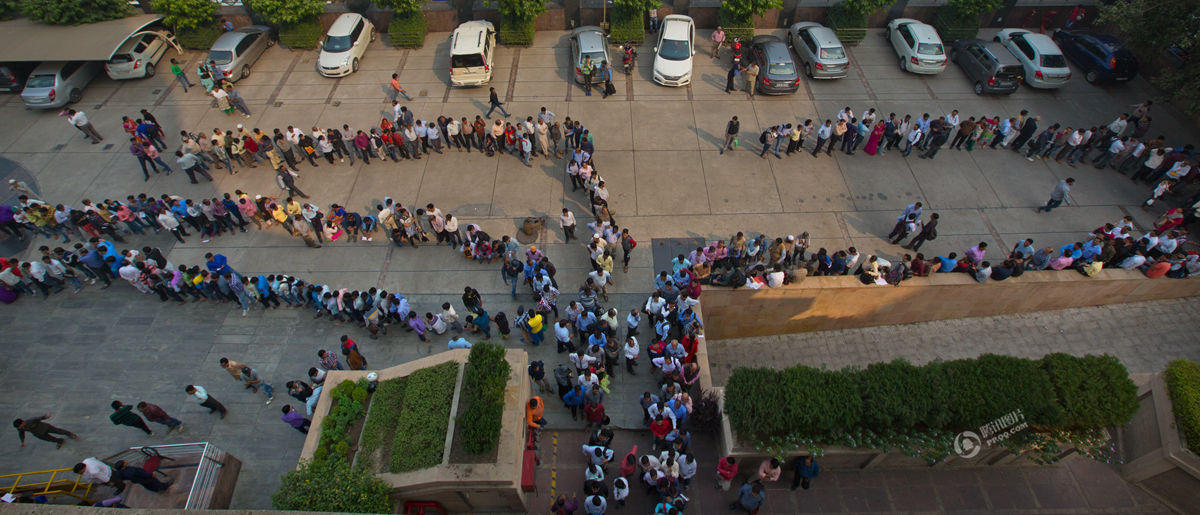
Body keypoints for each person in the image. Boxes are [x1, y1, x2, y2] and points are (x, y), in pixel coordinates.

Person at [13, 414, 78, 449]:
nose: (19, 428)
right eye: (18, 427)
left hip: (46, 427)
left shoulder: (30, 421)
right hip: (39, 434)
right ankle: (60, 441)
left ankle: (70, 434)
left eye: (20, 426)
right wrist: (22, 441)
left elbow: (37, 418)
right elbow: (21, 433)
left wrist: (45, 416)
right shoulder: (20, 428)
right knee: (50, 439)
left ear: (23, 422)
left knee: (58, 431)